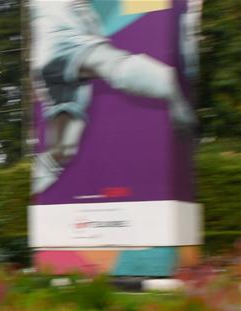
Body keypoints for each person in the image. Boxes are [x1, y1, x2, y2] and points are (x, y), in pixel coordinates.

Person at [31, 0, 195, 195]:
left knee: (62, 151)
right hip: (62, 31)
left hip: (46, 53)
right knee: (108, 63)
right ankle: (174, 91)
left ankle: (34, 189)